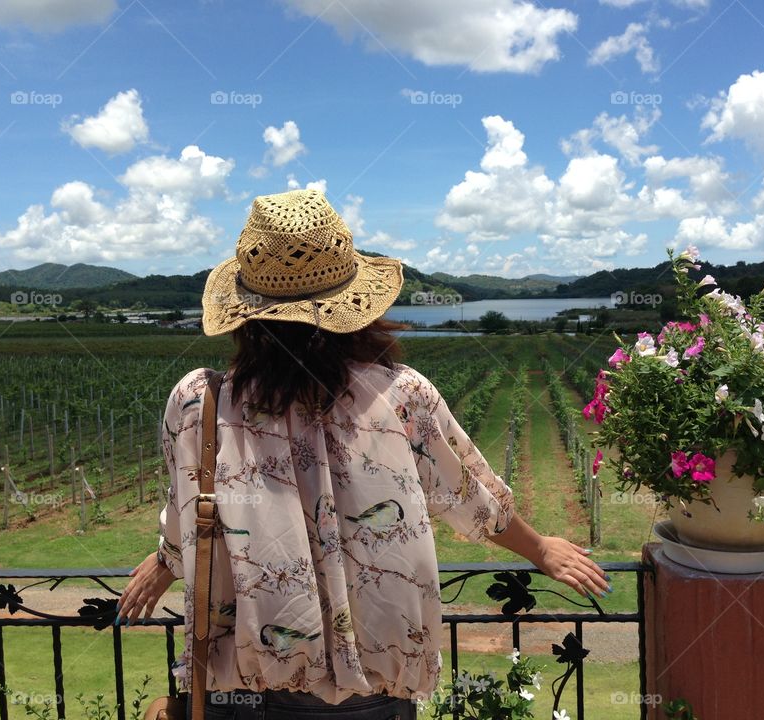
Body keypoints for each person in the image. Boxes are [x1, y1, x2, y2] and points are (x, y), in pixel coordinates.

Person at [116, 189, 608, 719]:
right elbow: (471, 495)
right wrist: (539, 550)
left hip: (244, 680)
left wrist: (168, 562)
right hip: (372, 686)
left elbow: (191, 505)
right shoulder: (402, 396)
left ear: (245, 314)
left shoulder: (199, 401)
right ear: (355, 305)